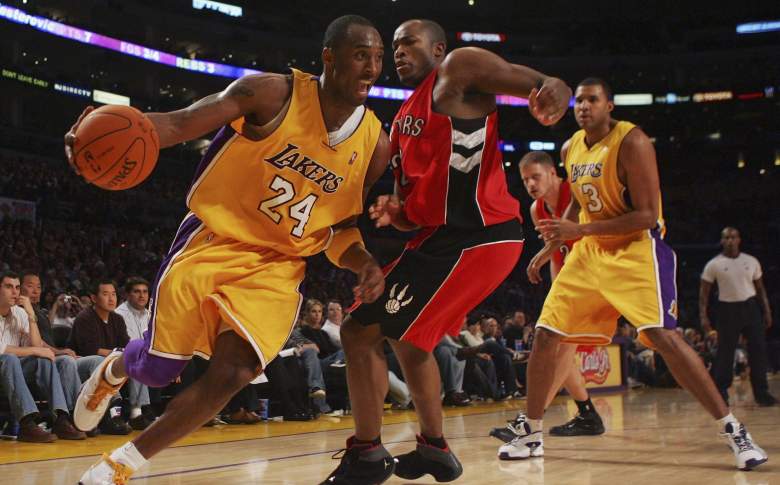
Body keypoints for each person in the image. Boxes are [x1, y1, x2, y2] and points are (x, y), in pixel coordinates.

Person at [65, 15, 389, 484]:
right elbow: (179, 123)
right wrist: (97, 135)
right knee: (158, 370)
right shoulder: (271, 94)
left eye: (378, 58)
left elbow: (341, 228)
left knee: (235, 371)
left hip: (279, 266)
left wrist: (364, 262)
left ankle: (118, 466)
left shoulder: (375, 145)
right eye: (361, 55)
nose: (372, 68)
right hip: (215, 240)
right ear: (329, 57)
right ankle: (115, 368)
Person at [323, 18, 571, 484]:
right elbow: (412, 217)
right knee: (404, 338)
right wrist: (394, 211)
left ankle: (368, 455)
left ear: (437, 49)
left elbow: (533, 81)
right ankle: (434, 450)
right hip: (440, 238)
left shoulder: (458, 69)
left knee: (359, 332)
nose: (398, 52)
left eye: (408, 43)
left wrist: (553, 86)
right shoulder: (402, 121)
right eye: (394, 46)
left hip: (481, 235)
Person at [497, 78, 767, 471]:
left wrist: (579, 230)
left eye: (593, 100)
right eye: (579, 100)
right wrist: (552, 245)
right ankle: (531, 434)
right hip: (590, 252)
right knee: (546, 334)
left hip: (635, 248)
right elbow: (577, 204)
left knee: (663, 337)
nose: (584, 106)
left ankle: (733, 430)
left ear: (609, 105)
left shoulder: (632, 142)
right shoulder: (571, 147)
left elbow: (646, 215)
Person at [511, 151, 604, 436]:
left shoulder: (575, 193)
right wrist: (556, 292)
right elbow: (556, 253)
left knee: (562, 346)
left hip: (599, 273)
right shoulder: (537, 209)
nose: (531, 184)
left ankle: (530, 421)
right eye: (525, 180)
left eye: (536, 177)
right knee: (562, 347)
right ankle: (587, 413)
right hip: (571, 278)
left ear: (553, 173)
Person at [700, 227, 775, 406]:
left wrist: (767, 311)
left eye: (733, 237)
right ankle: (721, 394)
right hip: (727, 309)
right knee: (725, 353)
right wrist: (704, 317)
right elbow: (704, 295)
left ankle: (762, 394)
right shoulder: (714, 264)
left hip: (750, 307)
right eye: (726, 238)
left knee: (758, 351)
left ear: (739, 239)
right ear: (722, 241)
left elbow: (760, 289)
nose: (730, 241)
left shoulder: (751, 261)